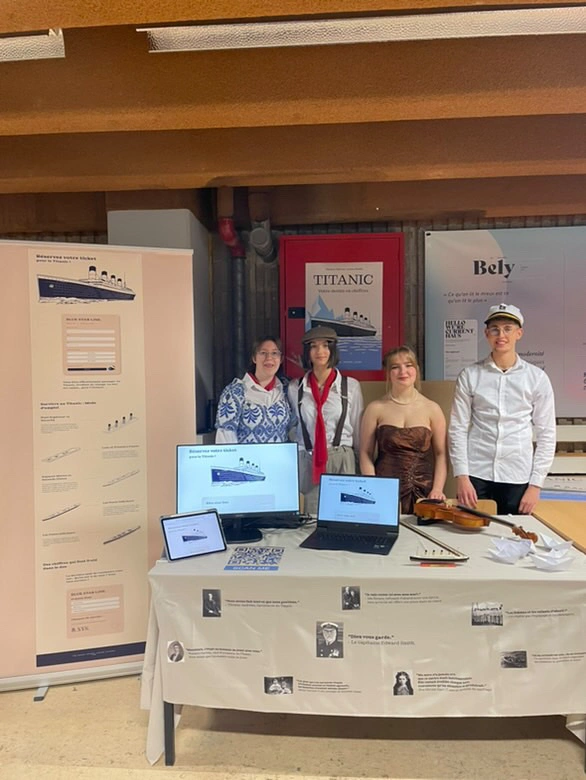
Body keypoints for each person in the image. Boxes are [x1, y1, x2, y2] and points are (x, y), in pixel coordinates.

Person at [448, 303, 556, 515]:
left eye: (508, 328)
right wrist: (462, 476)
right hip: (476, 474)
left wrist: (535, 485)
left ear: (519, 333)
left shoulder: (536, 378)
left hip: (517, 475)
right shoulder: (470, 375)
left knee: (514, 538)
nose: (501, 335)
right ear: (486, 334)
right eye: (495, 329)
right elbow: (457, 429)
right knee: (472, 536)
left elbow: (547, 434)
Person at [359, 346, 447, 514]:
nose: (403, 371)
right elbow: (365, 453)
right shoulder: (375, 408)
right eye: (395, 367)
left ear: (416, 369)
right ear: (388, 373)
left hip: (424, 489)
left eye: (408, 365)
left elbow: (441, 454)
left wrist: (437, 489)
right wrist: (374, 487)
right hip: (384, 487)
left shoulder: (432, 409)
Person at [288, 326, 363, 515]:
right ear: (307, 352)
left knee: (345, 516)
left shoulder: (350, 386)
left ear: (333, 349)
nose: (320, 352)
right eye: (313, 346)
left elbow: (358, 430)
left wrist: (361, 466)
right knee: (310, 519)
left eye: (325, 346)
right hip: (309, 460)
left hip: (342, 458)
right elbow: (293, 426)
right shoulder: (295, 388)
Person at [215, 336, 291, 443]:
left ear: (281, 359)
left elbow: (295, 429)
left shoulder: (286, 390)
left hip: (279, 459)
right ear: (254, 358)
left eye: (274, 353)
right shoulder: (234, 392)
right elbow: (225, 439)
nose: (269, 358)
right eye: (263, 353)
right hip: (246, 459)